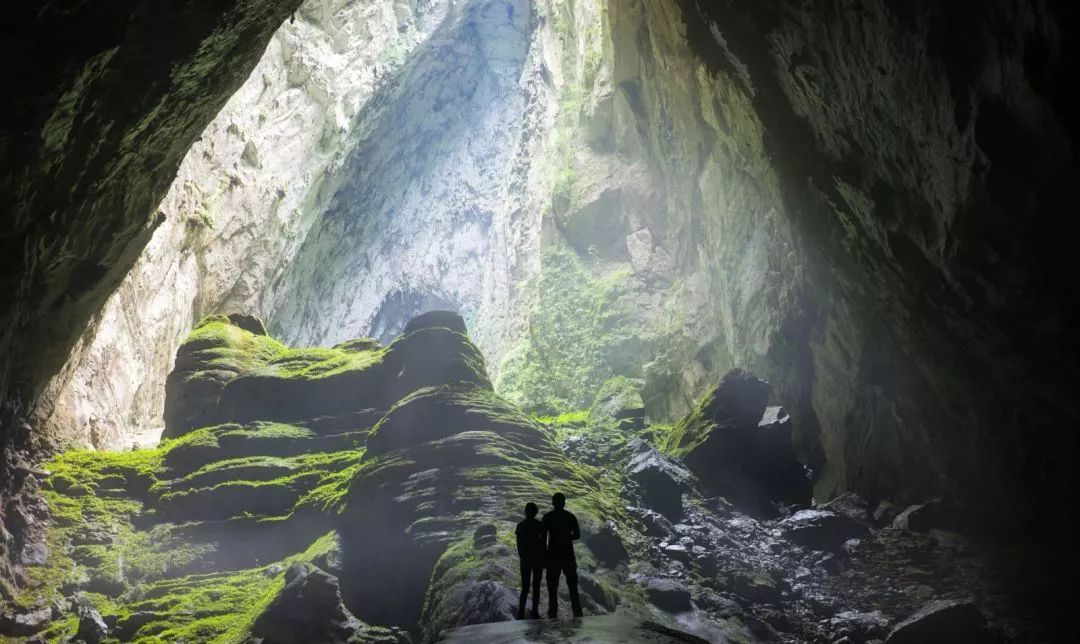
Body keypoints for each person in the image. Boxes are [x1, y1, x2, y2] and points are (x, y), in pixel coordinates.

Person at [542, 492, 582, 618]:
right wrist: (567, 538)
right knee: (573, 587)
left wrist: (544, 555)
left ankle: (552, 613)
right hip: (568, 555)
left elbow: (543, 537)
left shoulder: (548, 517)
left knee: (552, 588)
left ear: (553, 503)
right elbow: (577, 535)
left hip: (553, 556)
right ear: (564, 503)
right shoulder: (570, 517)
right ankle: (577, 613)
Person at [515, 502, 545, 619]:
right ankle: (535, 612)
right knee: (536, 587)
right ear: (536, 512)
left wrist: (522, 556)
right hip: (537, 559)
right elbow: (543, 544)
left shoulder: (521, 526)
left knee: (525, 587)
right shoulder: (540, 525)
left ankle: (521, 612)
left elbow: (519, 544)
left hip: (525, 560)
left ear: (525, 512)